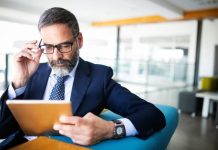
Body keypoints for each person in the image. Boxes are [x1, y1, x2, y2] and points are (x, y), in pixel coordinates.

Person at [0, 7, 165, 148]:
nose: (57, 56)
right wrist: (19, 82)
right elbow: (3, 129)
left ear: (79, 40)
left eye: (65, 45)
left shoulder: (99, 78)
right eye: (49, 47)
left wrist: (110, 129)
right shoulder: (31, 72)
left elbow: (152, 115)